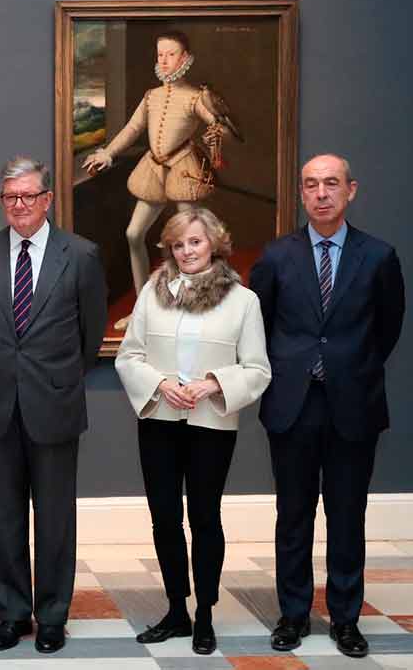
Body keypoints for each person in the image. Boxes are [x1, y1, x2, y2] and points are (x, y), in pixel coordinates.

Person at [250, 154, 405, 658]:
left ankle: (346, 619)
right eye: (312, 185)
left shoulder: (379, 257)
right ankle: (293, 615)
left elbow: (387, 330)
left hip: (352, 404)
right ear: (301, 193)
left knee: (346, 516)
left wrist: (347, 366)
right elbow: (262, 326)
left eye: (331, 184)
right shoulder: (275, 257)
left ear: (351, 190)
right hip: (293, 405)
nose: (321, 193)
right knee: (292, 515)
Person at [0, 156, 107, 653]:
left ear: (47, 200)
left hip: (55, 402)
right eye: (9, 197)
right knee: (2, 516)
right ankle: (13, 614)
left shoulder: (80, 255)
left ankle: (54, 615)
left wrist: (55, 376)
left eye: (27, 196)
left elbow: (91, 335)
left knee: (56, 518)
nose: (18, 205)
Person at [115, 207, 270, 655]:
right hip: (160, 421)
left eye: (195, 242)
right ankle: (177, 611)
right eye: (179, 244)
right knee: (165, 519)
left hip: (211, 424)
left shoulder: (243, 300)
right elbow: (130, 356)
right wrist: (161, 383)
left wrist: (212, 384)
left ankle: (205, 614)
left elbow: (258, 370)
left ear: (214, 243)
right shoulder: (152, 292)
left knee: (204, 519)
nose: (186, 251)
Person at [82, 31, 238, 331]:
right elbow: (131, 129)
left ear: (186, 59)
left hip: (183, 169)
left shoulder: (195, 97)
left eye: (170, 54)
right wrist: (108, 153)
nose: (164, 60)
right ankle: (144, 310)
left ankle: (196, 309)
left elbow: (223, 128)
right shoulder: (151, 96)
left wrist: (217, 134)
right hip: (153, 168)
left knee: (190, 244)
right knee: (133, 234)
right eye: (160, 55)